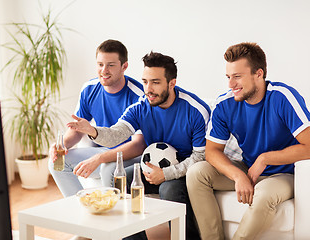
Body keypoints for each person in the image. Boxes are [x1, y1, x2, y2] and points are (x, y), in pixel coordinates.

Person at [67, 51, 211, 240]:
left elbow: (200, 157)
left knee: (170, 189)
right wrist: (93, 131)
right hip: (152, 169)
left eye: (155, 82)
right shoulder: (141, 106)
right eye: (145, 81)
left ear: (172, 83)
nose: (148, 89)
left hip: (183, 172)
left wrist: (166, 174)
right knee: (119, 181)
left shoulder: (196, 111)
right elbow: (116, 134)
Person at [186, 42, 310, 240]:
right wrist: (237, 176)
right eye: (228, 77)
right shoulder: (225, 104)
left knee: (264, 195)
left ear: (259, 74)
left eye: (238, 77)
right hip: (248, 170)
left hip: (283, 174)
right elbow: (212, 151)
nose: (231, 84)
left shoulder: (283, 97)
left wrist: (265, 159)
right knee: (196, 173)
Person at [49, 39, 146, 197]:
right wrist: (61, 145)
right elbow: (77, 130)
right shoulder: (89, 89)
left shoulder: (139, 96)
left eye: (111, 65)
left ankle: (117, 217)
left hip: (131, 155)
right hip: (104, 150)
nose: (104, 70)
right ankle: (82, 208)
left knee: (108, 168)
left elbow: (138, 145)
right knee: (57, 162)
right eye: (100, 64)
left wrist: (99, 158)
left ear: (124, 67)